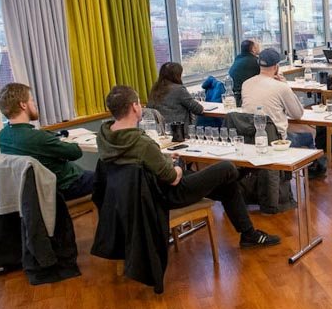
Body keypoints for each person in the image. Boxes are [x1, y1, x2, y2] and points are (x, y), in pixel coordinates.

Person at [96, 85, 280, 248]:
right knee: (225, 168)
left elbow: (139, 163)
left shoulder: (104, 137)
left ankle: (248, 234)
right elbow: (172, 178)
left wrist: (163, 160)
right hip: (166, 194)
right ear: (134, 107)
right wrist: (176, 164)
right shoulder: (142, 143)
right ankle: (239, 177)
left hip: (139, 196)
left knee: (226, 184)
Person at [0, 82, 95, 200]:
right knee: (106, 177)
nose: (35, 104)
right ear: (23, 105)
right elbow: (76, 152)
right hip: (65, 186)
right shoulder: (38, 138)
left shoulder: (3, 135)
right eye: (32, 100)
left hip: (34, 191)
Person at [241, 47, 327, 174]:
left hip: (251, 139)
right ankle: (314, 171)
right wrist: (286, 86)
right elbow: (298, 114)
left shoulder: (246, 84)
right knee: (308, 137)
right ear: (276, 67)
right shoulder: (281, 87)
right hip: (277, 141)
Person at [147, 61, 204, 127]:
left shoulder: (155, 88)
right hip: (178, 129)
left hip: (159, 128)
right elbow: (198, 109)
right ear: (176, 76)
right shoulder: (179, 89)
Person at [228, 40, 261, 106]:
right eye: (257, 46)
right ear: (253, 49)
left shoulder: (238, 58)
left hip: (233, 98)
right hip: (244, 99)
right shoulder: (255, 61)